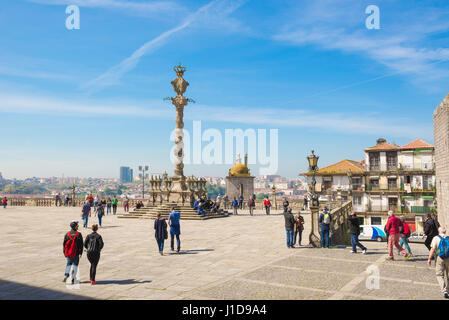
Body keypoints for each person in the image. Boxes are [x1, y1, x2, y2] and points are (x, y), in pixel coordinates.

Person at [427, 226, 449, 299]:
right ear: (445, 232)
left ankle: (444, 290)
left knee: (439, 274)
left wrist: (429, 259)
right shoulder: (448, 238)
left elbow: (433, 249)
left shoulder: (436, 238)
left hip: (440, 258)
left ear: (439, 231)